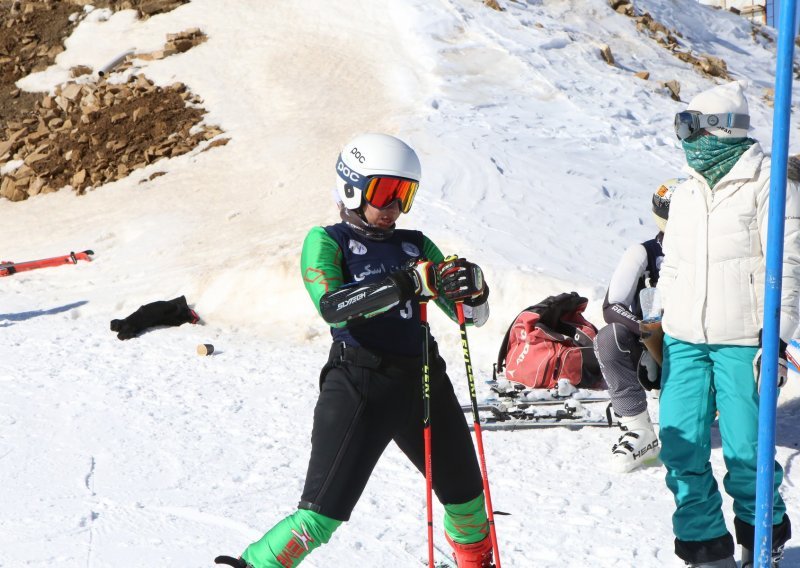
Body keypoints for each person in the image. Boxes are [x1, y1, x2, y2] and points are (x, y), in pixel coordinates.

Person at [215, 133, 494, 568]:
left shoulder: (416, 245)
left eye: (404, 195)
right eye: (384, 192)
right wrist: (404, 283)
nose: (393, 208)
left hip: (423, 383)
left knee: (469, 506)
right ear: (352, 186)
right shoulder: (327, 241)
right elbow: (334, 308)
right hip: (361, 385)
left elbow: (468, 318)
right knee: (318, 520)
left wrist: (474, 291)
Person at [657, 81, 799, 567]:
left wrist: (775, 337)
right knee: (679, 447)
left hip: (743, 339)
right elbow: (671, 264)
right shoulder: (686, 188)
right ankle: (707, 552)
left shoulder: (770, 182)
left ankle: (763, 540)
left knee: (747, 456)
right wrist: (657, 324)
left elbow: (790, 265)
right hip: (683, 339)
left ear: (720, 131)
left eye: (692, 127)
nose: (686, 140)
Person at [593, 178, 682, 473]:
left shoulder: (717, 250)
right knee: (609, 339)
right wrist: (645, 329)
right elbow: (612, 306)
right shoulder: (644, 253)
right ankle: (638, 429)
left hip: (703, 339)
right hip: (654, 345)